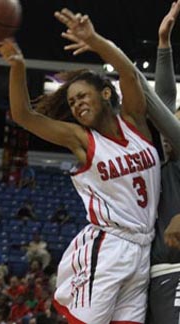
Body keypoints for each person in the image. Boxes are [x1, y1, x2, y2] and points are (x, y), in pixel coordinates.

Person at [0, 7, 180, 323]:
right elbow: (25, 116)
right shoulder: (81, 139)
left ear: (106, 93)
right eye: (72, 102)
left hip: (143, 253)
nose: (76, 105)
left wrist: (94, 40)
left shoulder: (134, 123)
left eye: (82, 96)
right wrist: (17, 66)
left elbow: (129, 73)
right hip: (109, 247)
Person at [144, 2, 180, 324]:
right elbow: (165, 105)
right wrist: (163, 43)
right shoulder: (160, 158)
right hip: (149, 274)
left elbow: (161, 106)